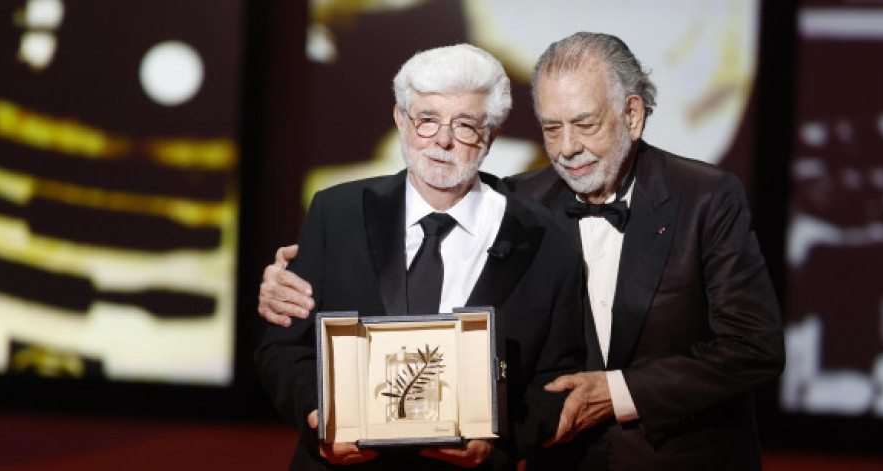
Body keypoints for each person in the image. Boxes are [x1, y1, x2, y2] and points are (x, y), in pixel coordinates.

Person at [260, 32, 785, 470]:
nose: (567, 148)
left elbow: (754, 348)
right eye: (552, 128)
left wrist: (617, 393)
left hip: (675, 458)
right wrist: (284, 276)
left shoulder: (707, 198)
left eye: (585, 124)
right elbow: (438, 196)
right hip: (564, 462)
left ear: (632, 115)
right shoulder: (521, 203)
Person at [254, 43, 586, 471]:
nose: (442, 140)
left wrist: (499, 442)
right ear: (400, 120)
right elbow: (281, 349)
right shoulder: (335, 212)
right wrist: (319, 418)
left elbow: (556, 379)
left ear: (491, 135)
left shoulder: (548, 240)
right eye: (426, 120)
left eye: (465, 125)